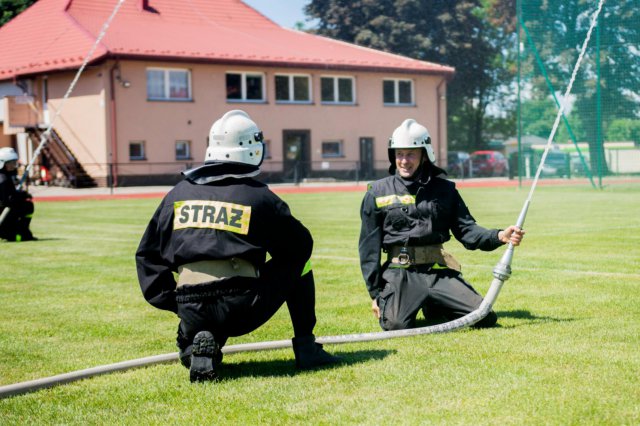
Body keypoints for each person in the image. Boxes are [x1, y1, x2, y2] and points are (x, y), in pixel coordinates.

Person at [136, 110, 340, 383]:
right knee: (301, 262)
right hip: (242, 304)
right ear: (253, 149)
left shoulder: (176, 195)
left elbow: (147, 256)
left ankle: (191, 345)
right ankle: (306, 347)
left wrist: (174, 302)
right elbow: (300, 246)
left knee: (199, 320)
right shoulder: (259, 197)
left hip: (190, 303)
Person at [358, 119, 524, 331]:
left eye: (411, 154)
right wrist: (375, 294)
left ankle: (434, 301)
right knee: (396, 325)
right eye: (399, 153)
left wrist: (500, 235)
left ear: (424, 155)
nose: (404, 161)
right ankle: (419, 301)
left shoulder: (445, 190)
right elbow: (368, 249)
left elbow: (467, 231)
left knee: (484, 317)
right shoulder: (377, 192)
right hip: (400, 273)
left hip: (437, 271)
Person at [0, 147, 36, 242]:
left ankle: (22, 232)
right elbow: (8, 200)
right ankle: (20, 233)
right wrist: (23, 196)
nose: (14, 165)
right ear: (3, 163)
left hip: (7, 213)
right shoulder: (3, 179)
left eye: (14, 162)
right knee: (28, 206)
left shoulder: (7, 176)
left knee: (27, 205)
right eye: (11, 163)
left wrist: (22, 194)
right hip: (3, 215)